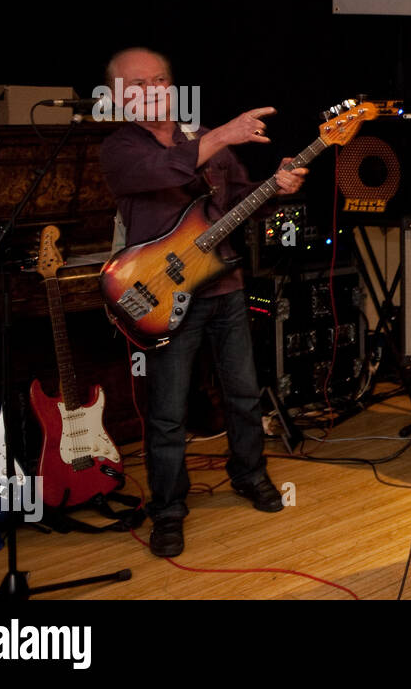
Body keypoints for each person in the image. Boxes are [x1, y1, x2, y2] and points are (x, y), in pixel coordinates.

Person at [100, 47, 307, 558]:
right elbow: (166, 173)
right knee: (168, 412)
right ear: (120, 98)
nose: (151, 91)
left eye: (159, 80)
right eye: (137, 85)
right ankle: (168, 509)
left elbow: (239, 203)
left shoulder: (206, 141)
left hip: (225, 289)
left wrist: (275, 188)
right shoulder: (120, 149)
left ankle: (250, 474)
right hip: (162, 298)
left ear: (171, 85)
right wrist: (222, 135)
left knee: (242, 393)